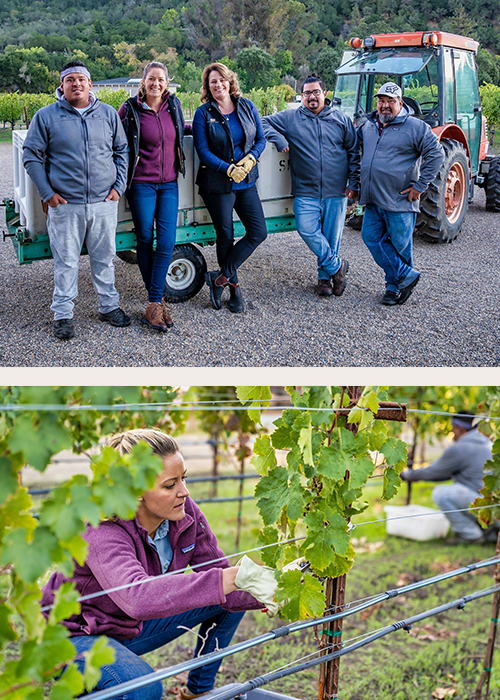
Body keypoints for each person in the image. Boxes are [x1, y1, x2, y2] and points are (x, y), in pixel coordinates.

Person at [41, 429, 282, 700]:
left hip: (128, 627)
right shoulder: (101, 530)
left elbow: (219, 576)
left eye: (183, 478)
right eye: (170, 485)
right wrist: (231, 578)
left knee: (223, 592)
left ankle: (197, 693)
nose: (184, 492)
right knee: (144, 689)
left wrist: (282, 587)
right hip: (74, 636)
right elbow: (137, 598)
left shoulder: (184, 512)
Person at [22, 60, 130, 340]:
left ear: (90, 84)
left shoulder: (107, 115)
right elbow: (31, 156)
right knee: (66, 262)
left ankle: (108, 307)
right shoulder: (45, 116)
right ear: (62, 86)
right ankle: (63, 315)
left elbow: (122, 151)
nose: (76, 84)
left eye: (81, 79)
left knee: (104, 259)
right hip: (65, 206)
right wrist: (48, 194)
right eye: (70, 79)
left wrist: (118, 186)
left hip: (103, 203)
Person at [262, 73, 360, 297]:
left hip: (336, 190)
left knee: (331, 237)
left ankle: (324, 278)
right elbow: (262, 121)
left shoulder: (341, 119)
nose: (312, 97)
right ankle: (337, 267)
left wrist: (354, 184)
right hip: (306, 190)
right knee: (306, 228)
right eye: (307, 93)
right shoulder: (291, 118)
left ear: (325, 94)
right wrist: (278, 138)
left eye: (316, 92)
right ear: (302, 96)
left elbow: (354, 153)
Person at [358, 82, 444, 305]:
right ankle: (406, 275)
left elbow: (436, 155)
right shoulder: (368, 126)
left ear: (400, 103)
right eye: (381, 101)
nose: (385, 105)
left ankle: (393, 287)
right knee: (370, 237)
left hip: (399, 200)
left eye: (390, 101)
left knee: (400, 245)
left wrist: (420, 186)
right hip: (373, 199)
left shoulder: (415, 127)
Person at [119, 62, 189, 332]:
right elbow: (116, 137)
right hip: (141, 184)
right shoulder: (130, 109)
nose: (156, 83)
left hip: (169, 182)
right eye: (151, 79)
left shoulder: (174, 105)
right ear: (143, 82)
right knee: (145, 239)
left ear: (167, 82)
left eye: (161, 79)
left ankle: (153, 304)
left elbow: (182, 130)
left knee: (168, 241)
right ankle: (155, 303)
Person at [192, 63, 268, 313]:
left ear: (230, 81)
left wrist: (251, 159)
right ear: (207, 87)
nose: (218, 85)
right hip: (218, 184)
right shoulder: (203, 113)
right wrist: (227, 168)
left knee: (258, 232)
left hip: (246, 181)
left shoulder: (246, 106)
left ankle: (219, 277)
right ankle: (234, 288)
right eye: (213, 82)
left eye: (221, 80)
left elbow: (261, 138)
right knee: (225, 237)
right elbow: (202, 151)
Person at [400, 412, 493, 543]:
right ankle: (491, 533)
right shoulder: (488, 442)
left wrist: (406, 475)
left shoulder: (461, 447)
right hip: (495, 509)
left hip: (486, 508)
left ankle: (471, 536)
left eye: (452, 428)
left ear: (460, 428)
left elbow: (433, 472)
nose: (452, 432)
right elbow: (446, 474)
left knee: (442, 494)